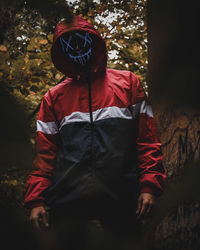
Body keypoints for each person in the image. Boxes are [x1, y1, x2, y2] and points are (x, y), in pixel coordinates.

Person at [25, 15, 166, 249]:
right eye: (70, 44)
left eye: (81, 41)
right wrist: (35, 200)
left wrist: (149, 186)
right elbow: (44, 156)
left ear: (94, 42)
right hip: (69, 200)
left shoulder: (128, 83)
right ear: (61, 51)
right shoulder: (53, 98)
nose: (78, 48)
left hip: (121, 194)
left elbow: (147, 141)